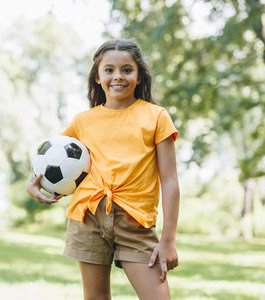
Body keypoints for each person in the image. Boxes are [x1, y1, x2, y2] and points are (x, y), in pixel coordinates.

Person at [26, 38, 180, 300]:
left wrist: (168, 240)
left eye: (127, 70)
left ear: (139, 76)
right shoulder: (83, 121)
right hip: (88, 218)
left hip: (135, 222)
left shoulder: (156, 116)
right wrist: (36, 183)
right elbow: (58, 164)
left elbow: (170, 182)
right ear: (97, 77)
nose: (117, 77)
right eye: (109, 70)